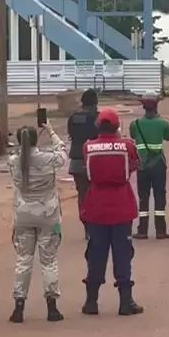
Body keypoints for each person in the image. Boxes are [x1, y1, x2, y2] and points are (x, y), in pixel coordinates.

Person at [81, 108, 143, 316]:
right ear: (117, 126)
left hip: (96, 206)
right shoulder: (127, 146)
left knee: (96, 253)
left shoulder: (88, 147)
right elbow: (135, 163)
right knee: (123, 253)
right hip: (121, 206)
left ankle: (91, 302)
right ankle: (126, 302)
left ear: (99, 125)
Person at [8, 122, 67, 323]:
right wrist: (51, 131)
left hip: (23, 214)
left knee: (23, 260)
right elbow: (63, 152)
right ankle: (52, 306)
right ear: (36, 139)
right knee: (49, 261)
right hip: (48, 214)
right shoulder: (48, 159)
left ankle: (19, 306)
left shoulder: (13, 161)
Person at [129, 93, 169, 239]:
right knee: (160, 196)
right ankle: (160, 230)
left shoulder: (135, 124)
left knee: (143, 197)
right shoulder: (163, 123)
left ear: (143, 107)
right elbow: (168, 137)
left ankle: (142, 230)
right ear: (156, 106)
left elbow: (133, 136)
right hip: (158, 164)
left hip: (142, 165)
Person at [67, 88, 99, 236]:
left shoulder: (73, 118)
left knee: (83, 195)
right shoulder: (99, 118)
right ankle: (96, 225)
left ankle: (87, 226)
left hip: (77, 162)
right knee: (98, 194)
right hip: (96, 162)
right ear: (95, 103)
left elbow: (72, 135)